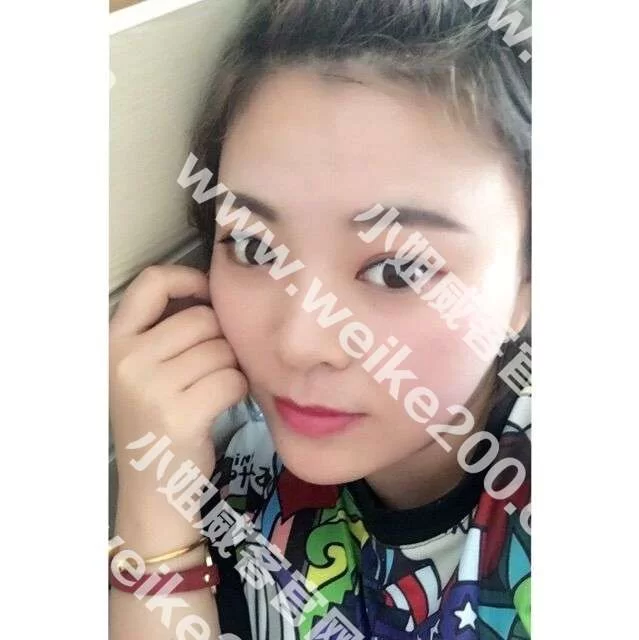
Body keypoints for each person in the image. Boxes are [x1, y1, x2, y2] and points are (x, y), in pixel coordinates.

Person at [108, 0, 532, 638]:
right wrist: (154, 500)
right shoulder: (235, 477)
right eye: (255, 248)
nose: (302, 343)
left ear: (529, 283)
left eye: (399, 270)